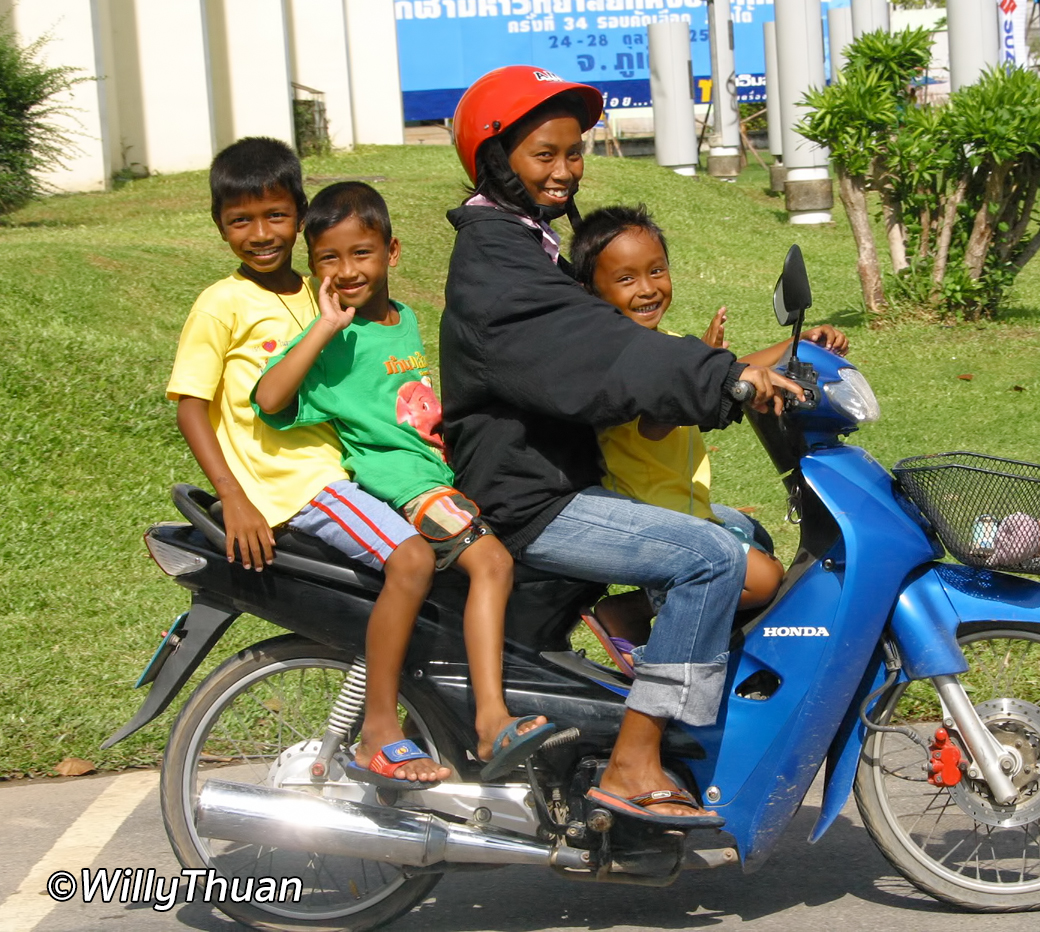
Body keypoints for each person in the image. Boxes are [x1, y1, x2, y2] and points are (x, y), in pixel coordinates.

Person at [439, 66, 803, 826]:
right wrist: (721, 378)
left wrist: (737, 368)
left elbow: (612, 348)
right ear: (496, 157)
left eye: (574, 153)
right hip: (533, 497)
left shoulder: (523, 244)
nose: (565, 171)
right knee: (712, 557)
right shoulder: (497, 265)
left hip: (558, 481)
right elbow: (602, 351)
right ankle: (635, 760)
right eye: (545, 155)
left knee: (737, 530)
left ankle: (678, 723)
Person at [167, 138, 447, 788]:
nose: (260, 234)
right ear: (219, 225)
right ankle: (380, 730)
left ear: (300, 216)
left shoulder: (322, 289)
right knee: (411, 559)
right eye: (240, 220)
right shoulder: (223, 303)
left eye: (274, 217)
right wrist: (233, 496)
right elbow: (190, 405)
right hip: (294, 489)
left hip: (344, 475)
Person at [253, 181, 555, 783]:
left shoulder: (408, 321)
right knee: (490, 563)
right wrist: (320, 328)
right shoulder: (334, 338)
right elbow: (268, 396)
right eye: (328, 260)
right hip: (407, 489)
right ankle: (483, 720)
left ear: (391, 252)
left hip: (443, 477)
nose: (346, 270)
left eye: (360, 253)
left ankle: (440, 717)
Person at [567, 204, 850, 674]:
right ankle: (637, 615)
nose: (647, 288)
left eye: (657, 270)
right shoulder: (616, 359)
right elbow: (655, 419)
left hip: (686, 509)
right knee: (763, 579)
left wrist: (801, 347)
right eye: (626, 279)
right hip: (648, 520)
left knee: (752, 533)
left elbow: (735, 368)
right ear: (591, 291)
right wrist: (700, 379)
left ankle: (714, 646)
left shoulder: (666, 345)